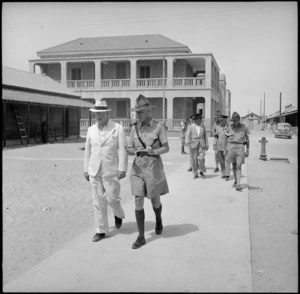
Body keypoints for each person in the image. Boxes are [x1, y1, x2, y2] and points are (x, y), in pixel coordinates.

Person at [127, 94, 170, 249]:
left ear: (148, 112)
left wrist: (154, 151)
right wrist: (130, 151)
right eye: (137, 112)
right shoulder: (133, 128)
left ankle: (158, 219)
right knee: (138, 199)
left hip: (153, 167)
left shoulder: (158, 127)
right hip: (137, 167)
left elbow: (166, 147)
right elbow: (130, 148)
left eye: (141, 112)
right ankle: (141, 236)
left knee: (154, 200)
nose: (138, 115)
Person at [83, 100, 128, 242]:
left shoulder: (117, 128)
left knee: (112, 199)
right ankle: (101, 231)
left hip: (111, 169)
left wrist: (122, 168)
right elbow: (87, 151)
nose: (98, 116)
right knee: (98, 201)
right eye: (96, 114)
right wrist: (86, 169)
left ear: (107, 113)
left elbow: (122, 149)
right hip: (94, 170)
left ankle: (118, 213)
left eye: (101, 113)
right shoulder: (91, 130)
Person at [224, 111, 250, 191]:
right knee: (234, 166)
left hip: (240, 147)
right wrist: (225, 149)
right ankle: (235, 181)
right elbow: (226, 138)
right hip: (231, 147)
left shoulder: (244, 127)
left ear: (239, 119)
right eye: (232, 120)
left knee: (239, 166)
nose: (234, 122)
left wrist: (247, 150)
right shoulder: (229, 127)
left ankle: (238, 184)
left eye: (235, 120)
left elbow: (247, 139)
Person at [185, 113, 209, 179]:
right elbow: (187, 135)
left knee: (201, 158)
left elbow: (205, 136)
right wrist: (187, 141)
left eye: (201, 119)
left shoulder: (203, 126)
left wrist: (207, 144)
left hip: (202, 144)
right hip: (193, 143)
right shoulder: (190, 127)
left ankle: (201, 170)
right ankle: (195, 173)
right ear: (195, 120)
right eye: (199, 119)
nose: (200, 120)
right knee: (194, 159)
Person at [213, 114, 230, 179]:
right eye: (219, 120)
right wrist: (214, 144)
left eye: (221, 120)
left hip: (227, 145)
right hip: (219, 145)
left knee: (227, 160)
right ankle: (223, 173)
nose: (220, 121)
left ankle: (227, 174)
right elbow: (216, 136)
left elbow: (230, 137)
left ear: (225, 120)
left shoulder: (229, 127)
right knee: (221, 160)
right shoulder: (218, 127)